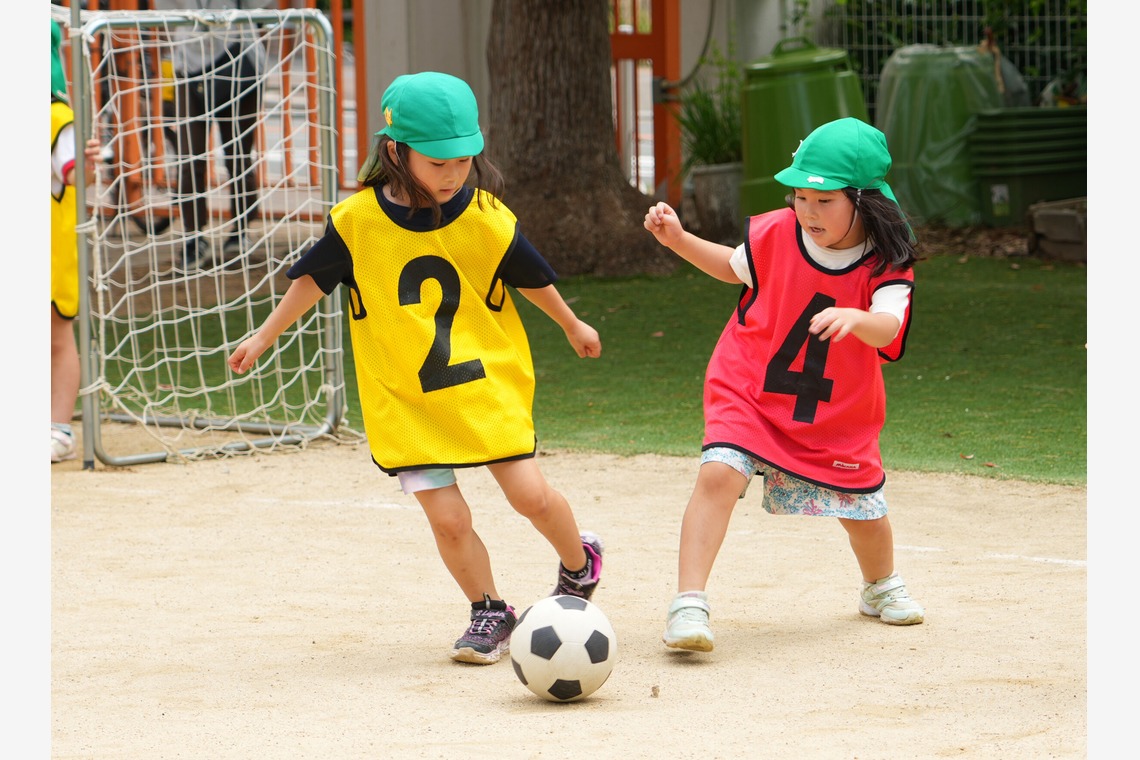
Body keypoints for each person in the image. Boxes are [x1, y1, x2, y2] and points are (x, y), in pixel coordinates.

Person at [227, 71, 605, 665]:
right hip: (406, 400)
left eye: (464, 160)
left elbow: (531, 276)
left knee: (531, 497)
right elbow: (311, 283)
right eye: (438, 162)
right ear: (396, 152)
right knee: (450, 519)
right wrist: (264, 336)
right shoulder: (356, 224)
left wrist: (571, 324)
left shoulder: (484, 216)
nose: (454, 173)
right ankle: (490, 610)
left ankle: (581, 564)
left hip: (483, 385)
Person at [643, 117, 925, 652]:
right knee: (719, 475)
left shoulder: (887, 262)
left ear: (864, 201)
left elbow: (888, 326)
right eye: (799, 197)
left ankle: (880, 587)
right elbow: (732, 268)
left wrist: (856, 318)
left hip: (836, 410)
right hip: (747, 385)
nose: (807, 211)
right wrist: (677, 239)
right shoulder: (776, 232)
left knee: (863, 511)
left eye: (824, 200)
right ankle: (688, 604)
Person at [151, 0, 273, 269]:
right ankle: (194, 237)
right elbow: (167, 12)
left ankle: (240, 232)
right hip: (190, 66)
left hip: (239, 58)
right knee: (189, 158)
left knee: (238, 155)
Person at [52, 18, 101, 463]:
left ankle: (60, 426)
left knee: (56, 334)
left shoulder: (56, 118)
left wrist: (84, 161)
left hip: (51, 250)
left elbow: (76, 174)